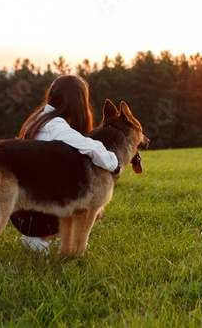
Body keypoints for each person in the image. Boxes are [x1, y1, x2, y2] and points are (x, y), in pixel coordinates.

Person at [10, 74, 120, 255]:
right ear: (78, 102)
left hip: (20, 210)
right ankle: (40, 240)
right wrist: (115, 165)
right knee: (93, 208)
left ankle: (42, 238)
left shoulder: (37, 119)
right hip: (37, 212)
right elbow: (90, 147)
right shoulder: (56, 127)